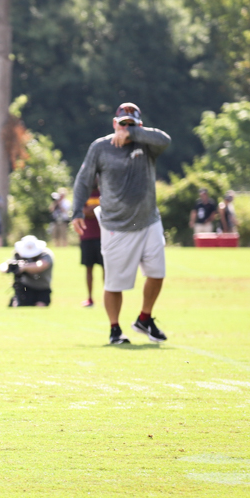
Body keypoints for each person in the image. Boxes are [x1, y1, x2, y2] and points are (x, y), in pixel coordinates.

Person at [71, 102, 171, 346]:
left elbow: (165, 139)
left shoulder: (146, 145)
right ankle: (115, 329)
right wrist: (76, 211)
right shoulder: (101, 147)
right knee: (115, 283)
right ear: (114, 124)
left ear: (139, 125)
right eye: (122, 124)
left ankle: (144, 318)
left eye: (132, 124)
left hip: (148, 220)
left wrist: (134, 134)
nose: (126, 128)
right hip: (116, 224)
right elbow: (84, 180)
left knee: (157, 273)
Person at [0, 235, 53, 307]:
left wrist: (23, 267)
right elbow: (4, 266)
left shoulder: (45, 254)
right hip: (26, 288)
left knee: (40, 306)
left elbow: (40, 266)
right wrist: (9, 268)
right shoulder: (19, 254)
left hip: (42, 288)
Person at [78, 183, 104, 308]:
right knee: (89, 269)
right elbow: (84, 212)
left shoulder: (105, 192)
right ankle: (90, 298)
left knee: (106, 269)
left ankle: (107, 298)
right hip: (87, 236)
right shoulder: (83, 195)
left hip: (103, 237)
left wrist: (92, 209)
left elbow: (107, 210)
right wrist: (97, 207)